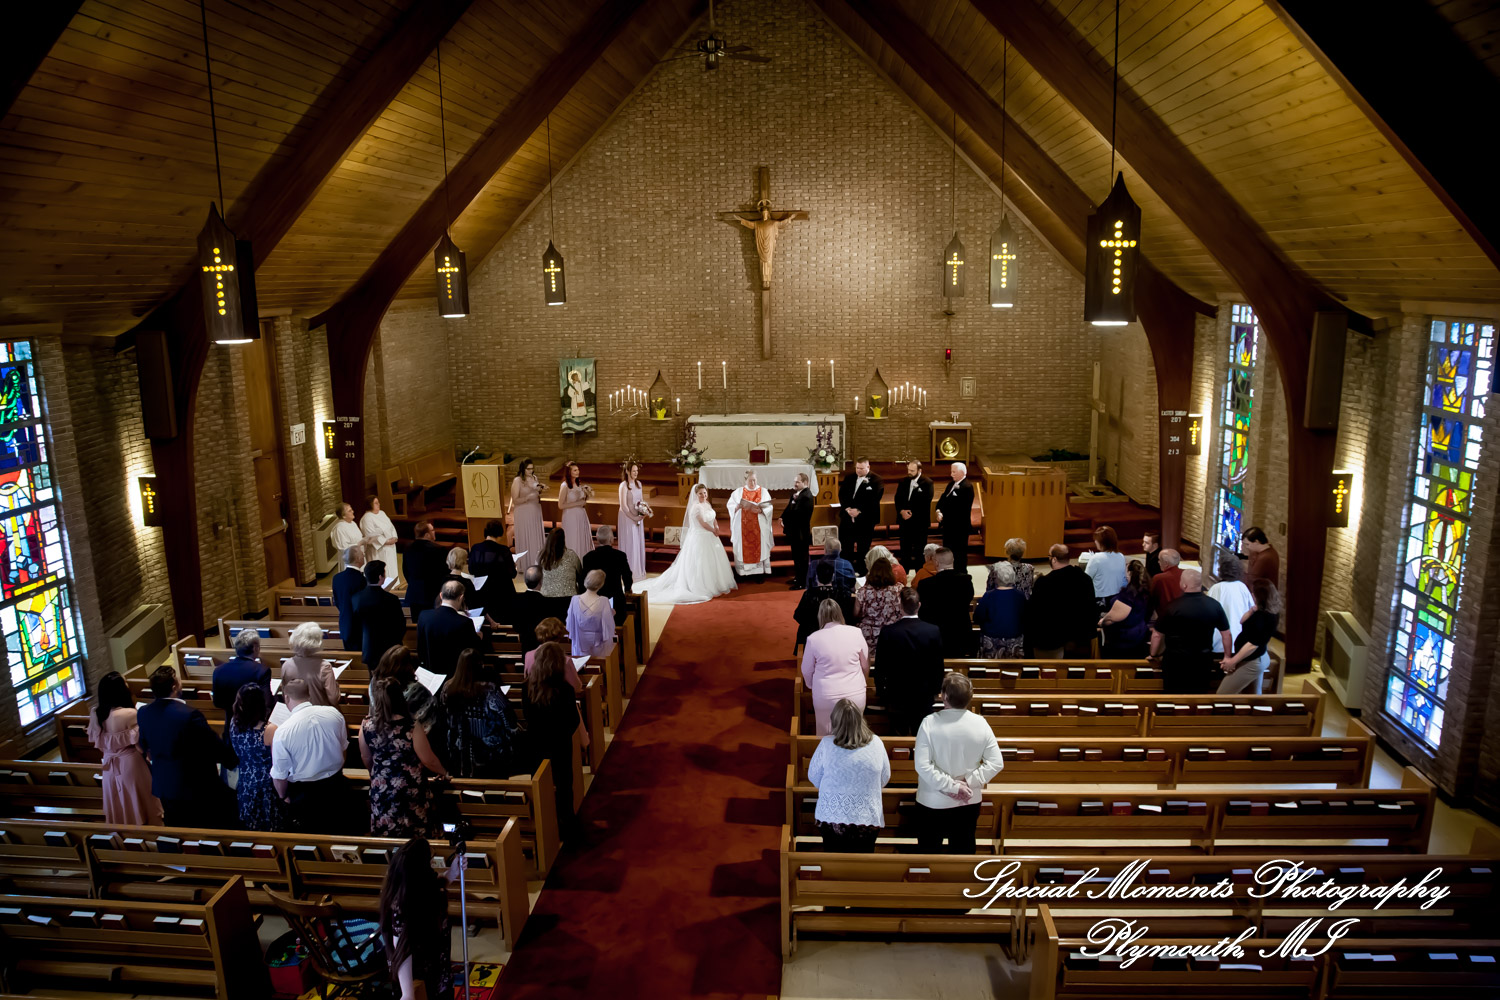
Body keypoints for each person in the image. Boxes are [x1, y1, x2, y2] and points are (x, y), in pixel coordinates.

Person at [914, 672, 1004, 854]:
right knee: (963, 851)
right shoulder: (980, 723)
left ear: (944, 696)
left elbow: (922, 766)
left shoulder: (929, 723)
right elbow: (996, 763)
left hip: (934, 802)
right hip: (967, 801)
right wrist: (967, 783)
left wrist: (952, 786)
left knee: (928, 853)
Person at [136, 665, 237, 828]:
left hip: (165, 785)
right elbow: (211, 745)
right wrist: (231, 761)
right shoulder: (189, 714)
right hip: (195, 786)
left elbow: (144, 744)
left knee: (178, 831)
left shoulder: (144, 712)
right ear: (174, 686)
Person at [360, 678, 447, 838]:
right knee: (415, 836)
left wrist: (377, 775)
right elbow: (428, 759)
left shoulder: (366, 725)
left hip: (382, 789)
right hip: (410, 788)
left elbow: (366, 757)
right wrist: (444, 772)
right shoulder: (412, 726)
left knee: (389, 837)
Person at [379, 838, 462, 1000]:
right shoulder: (401, 903)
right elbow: (402, 949)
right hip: (419, 971)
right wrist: (408, 993)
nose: (431, 867)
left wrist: (452, 873)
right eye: (429, 862)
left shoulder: (417, 884)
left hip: (438, 963)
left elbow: (434, 885)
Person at [271, 677, 354, 834]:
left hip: (306, 795)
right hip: (336, 785)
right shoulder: (333, 713)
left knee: (313, 839)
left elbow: (279, 774)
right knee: (340, 832)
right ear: (308, 694)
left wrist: (283, 797)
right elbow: (343, 748)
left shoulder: (283, 731)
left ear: (286, 697)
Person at [807, 698, 891, 852]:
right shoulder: (877, 743)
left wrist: (834, 787)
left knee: (833, 863)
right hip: (867, 820)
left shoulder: (826, 744)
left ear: (835, 722)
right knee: (863, 864)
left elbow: (814, 777)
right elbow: (884, 778)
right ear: (860, 720)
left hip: (832, 820)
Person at [633, 484, 736, 605]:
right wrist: (713, 530)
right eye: (701, 494)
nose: (703, 495)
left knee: (712, 561)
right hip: (701, 537)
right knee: (700, 563)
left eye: (705, 493)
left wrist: (717, 526)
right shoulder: (696, 508)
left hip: (710, 537)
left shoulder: (706, 504)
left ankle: (716, 582)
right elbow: (702, 523)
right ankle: (701, 585)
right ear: (696, 495)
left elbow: (713, 517)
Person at [524, 642, 585, 837]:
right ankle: (567, 826)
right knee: (565, 787)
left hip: (535, 745)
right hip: (560, 746)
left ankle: (545, 828)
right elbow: (573, 720)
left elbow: (526, 716)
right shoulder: (564, 689)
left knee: (542, 786)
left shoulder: (527, 688)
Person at [87, 671, 163, 827]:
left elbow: (101, 745)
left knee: (118, 804)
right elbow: (140, 746)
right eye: (125, 682)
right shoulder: (130, 713)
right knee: (140, 801)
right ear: (120, 690)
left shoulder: (96, 713)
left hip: (109, 767)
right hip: (131, 765)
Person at [441, 649, 523, 778]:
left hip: (459, 750)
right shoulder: (489, 689)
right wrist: (515, 732)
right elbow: (507, 714)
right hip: (490, 751)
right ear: (480, 665)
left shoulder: (447, 687)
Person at [874, 588, 945, 736]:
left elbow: (880, 666)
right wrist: (936, 690)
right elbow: (937, 665)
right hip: (923, 695)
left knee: (899, 742)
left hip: (896, 695)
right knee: (923, 737)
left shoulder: (888, 632)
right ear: (919, 605)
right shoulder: (932, 631)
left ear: (900, 607)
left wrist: (881, 692)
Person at [1150, 568, 1232, 694]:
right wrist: (1227, 656)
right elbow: (1226, 634)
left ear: (1184, 585)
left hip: (1176, 660)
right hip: (1202, 660)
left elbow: (1157, 635)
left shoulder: (1172, 606)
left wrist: (1154, 654)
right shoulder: (1214, 605)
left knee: (1173, 695)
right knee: (1198, 694)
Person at [800, 600, 870, 737]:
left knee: (825, 736)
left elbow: (806, 670)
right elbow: (865, 664)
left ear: (820, 616)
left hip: (826, 696)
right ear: (840, 614)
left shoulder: (813, 639)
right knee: (856, 735)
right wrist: (862, 682)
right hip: (855, 693)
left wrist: (812, 686)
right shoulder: (856, 632)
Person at [227, 682, 284, 831]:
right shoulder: (270, 729)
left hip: (245, 782)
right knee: (272, 826)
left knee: (252, 828)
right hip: (267, 785)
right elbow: (279, 759)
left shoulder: (234, 723)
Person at [1025, 544, 1098, 658]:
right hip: (1080, 638)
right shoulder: (1085, 579)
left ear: (1054, 559)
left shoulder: (1044, 583)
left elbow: (1036, 613)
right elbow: (1091, 608)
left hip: (1054, 642)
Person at [1217, 577, 1281, 694]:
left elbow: (1252, 645)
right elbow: (1242, 621)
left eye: (1253, 592)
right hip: (1257, 657)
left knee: (1222, 694)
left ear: (1259, 596)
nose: (1251, 594)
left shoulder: (1263, 617)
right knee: (1253, 695)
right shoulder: (1265, 611)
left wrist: (1233, 661)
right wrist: (1252, 610)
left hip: (1253, 661)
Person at [916, 547, 976, 658]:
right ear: (952, 561)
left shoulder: (925, 585)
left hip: (935, 636)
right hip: (960, 633)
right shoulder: (966, 581)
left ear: (936, 563)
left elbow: (922, 612)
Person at [417, 580, 483, 677]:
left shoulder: (423, 616)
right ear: (461, 598)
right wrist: (479, 637)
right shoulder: (464, 622)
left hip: (430, 674)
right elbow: (472, 649)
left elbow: (421, 647)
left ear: (441, 595)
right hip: (454, 676)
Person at [353, 559, 408, 668]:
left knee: (373, 681)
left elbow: (356, 624)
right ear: (380, 577)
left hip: (369, 649)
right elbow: (401, 625)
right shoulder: (391, 599)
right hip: (389, 650)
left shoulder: (356, 598)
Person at [211, 628, 272, 725]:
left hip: (231, 725)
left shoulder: (218, 670)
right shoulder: (262, 671)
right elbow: (267, 703)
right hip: (254, 724)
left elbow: (217, 702)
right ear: (255, 648)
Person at [794, 561, 855, 648]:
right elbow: (849, 617)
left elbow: (798, 616)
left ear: (816, 577)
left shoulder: (809, 594)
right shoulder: (844, 594)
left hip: (814, 636)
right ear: (833, 576)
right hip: (839, 637)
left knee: (803, 629)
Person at [468, 519, 517, 626]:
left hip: (482, 594)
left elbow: (471, 570)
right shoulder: (504, 550)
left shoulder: (475, 548)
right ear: (500, 533)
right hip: (502, 596)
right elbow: (512, 574)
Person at [582, 523, 632, 625]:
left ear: (597, 539)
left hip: (594, 600)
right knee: (619, 622)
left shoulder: (588, 557)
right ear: (611, 539)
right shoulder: (620, 556)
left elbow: (584, 579)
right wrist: (627, 588)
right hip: (615, 598)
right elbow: (627, 575)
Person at [282, 621, 342, 707]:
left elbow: (286, 697)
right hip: (320, 714)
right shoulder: (324, 666)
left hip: (298, 713)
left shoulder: (286, 665)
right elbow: (334, 699)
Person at [1099, 559, 1150, 659]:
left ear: (1130, 573)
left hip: (1124, 641)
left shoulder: (1128, 595)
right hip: (1140, 635)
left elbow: (1112, 618)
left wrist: (1103, 621)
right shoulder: (1145, 591)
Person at [838, 457, 884, 567]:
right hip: (847, 517)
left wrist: (859, 510)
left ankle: (862, 571)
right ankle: (847, 570)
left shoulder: (876, 480)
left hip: (866, 519)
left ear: (868, 467)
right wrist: (848, 508)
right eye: (857, 468)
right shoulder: (849, 478)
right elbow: (842, 494)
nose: (858, 470)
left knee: (863, 548)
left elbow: (874, 498)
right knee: (846, 546)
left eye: (861, 468)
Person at [974, 561, 1025, 658]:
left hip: (992, 642)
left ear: (996, 578)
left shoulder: (988, 596)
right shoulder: (1020, 596)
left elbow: (978, 617)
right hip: (1015, 641)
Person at [1207, 549, 1255, 654]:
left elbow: (1208, 612)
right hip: (1239, 640)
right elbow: (1251, 610)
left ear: (1221, 570)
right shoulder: (1242, 587)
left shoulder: (1216, 588)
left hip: (1220, 640)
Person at [728, 470, 774, 577]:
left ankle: (759, 574)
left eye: (754, 480)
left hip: (759, 525)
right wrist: (736, 507)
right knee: (743, 547)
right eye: (750, 481)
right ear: (745, 480)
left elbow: (769, 507)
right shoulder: (738, 492)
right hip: (742, 526)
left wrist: (762, 510)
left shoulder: (763, 491)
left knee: (760, 548)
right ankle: (744, 572)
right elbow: (730, 505)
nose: (752, 483)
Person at [854, 555, 903, 652]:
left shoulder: (863, 591)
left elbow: (855, 614)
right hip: (892, 634)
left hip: (868, 635)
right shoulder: (899, 589)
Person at [403, 521, 448, 621]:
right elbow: (443, 573)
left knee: (418, 627)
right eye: (432, 530)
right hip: (432, 595)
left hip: (414, 594)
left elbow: (405, 571)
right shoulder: (438, 550)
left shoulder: (408, 549)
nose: (434, 532)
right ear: (427, 534)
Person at [893, 459, 933, 572]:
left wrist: (911, 514)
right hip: (905, 522)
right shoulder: (903, 481)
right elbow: (898, 498)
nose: (909, 472)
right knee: (905, 549)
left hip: (919, 523)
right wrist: (901, 511)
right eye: (908, 470)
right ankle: (903, 573)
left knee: (919, 551)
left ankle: (919, 574)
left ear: (919, 470)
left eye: (912, 470)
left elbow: (925, 502)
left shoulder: (927, 483)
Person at [568, 569, 617, 659]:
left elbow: (570, 623)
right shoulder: (604, 600)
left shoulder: (574, 599)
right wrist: (612, 613)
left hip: (580, 641)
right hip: (599, 642)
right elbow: (608, 625)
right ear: (600, 585)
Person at [509, 458, 546, 573]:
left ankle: (536, 562)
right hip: (523, 512)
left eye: (532, 468)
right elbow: (515, 500)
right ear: (523, 469)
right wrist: (527, 498)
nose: (531, 471)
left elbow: (536, 492)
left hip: (535, 510)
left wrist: (541, 489)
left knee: (535, 535)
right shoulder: (518, 480)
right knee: (526, 535)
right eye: (528, 469)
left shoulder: (534, 478)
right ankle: (525, 565)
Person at [934, 462, 975, 566]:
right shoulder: (951, 484)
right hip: (948, 527)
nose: (951, 474)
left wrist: (945, 514)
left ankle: (960, 575)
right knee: (948, 553)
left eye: (954, 472)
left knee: (959, 555)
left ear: (962, 472)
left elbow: (961, 509)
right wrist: (938, 511)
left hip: (959, 528)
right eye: (951, 471)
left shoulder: (967, 487)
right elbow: (943, 499)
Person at [780, 472, 815, 590]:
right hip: (794, 532)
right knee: (796, 556)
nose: (795, 484)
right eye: (795, 481)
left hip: (801, 532)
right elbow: (788, 508)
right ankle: (797, 577)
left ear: (805, 483)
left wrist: (787, 520)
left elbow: (799, 515)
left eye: (797, 482)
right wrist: (782, 517)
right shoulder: (796, 494)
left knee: (802, 558)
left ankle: (802, 582)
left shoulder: (807, 496)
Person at [331, 543, 368, 651]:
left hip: (345, 624)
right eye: (362, 554)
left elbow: (337, 601)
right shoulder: (362, 580)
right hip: (359, 627)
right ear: (358, 559)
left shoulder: (337, 578)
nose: (364, 556)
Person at [1083, 525, 1127, 611]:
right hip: (1117, 598)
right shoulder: (1121, 556)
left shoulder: (1096, 558)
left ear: (1103, 542)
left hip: (1100, 600)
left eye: (1097, 540)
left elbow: (1086, 579)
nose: (1095, 542)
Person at [617, 462, 648, 578]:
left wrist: (643, 512)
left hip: (637, 517)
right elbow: (623, 506)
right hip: (627, 517)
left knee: (637, 542)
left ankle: (638, 569)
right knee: (631, 542)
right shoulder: (623, 486)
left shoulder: (639, 484)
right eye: (634, 471)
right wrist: (633, 517)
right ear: (627, 471)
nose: (636, 473)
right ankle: (629, 571)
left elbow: (641, 501)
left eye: (637, 471)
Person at [539, 527, 584, 605]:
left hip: (546, 599)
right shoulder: (571, 555)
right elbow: (580, 574)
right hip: (568, 600)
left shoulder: (542, 556)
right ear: (563, 540)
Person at [558, 462, 594, 558]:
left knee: (581, 538)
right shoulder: (565, 486)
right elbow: (560, 505)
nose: (577, 472)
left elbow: (581, 500)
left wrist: (587, 494)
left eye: (578, 470)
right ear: (569, 472)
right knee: (573, 539)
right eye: (575, 470)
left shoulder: (579, 484)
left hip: (581, 516)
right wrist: (578, 504)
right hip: (571, 517)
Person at [514, 566, 552, 654]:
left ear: (525, 581)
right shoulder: (546, 602)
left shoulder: (517, 600)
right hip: (543, 651)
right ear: (541, 582)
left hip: (525, 648)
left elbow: (516, 626)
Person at [361, 497, 399, 583]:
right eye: (376, 503)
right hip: (379, 549)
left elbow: (391, 526)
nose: (379, 504)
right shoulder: (367, 518)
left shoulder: (382, 513)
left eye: (378, 502)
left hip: (390, 547)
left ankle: (394, 584)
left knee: (391, 567)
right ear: (370, 505)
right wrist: (386, 541)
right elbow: (370, 535)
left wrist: (394, 537)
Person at [441, 545, 479, 612]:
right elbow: (475, 604)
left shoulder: (442, 579)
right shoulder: (467, 582)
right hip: (462, 616)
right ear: (464, 562)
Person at [1149, 547, 1185, 615]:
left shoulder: (1158, 578)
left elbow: (1151, 600)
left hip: (1166, 619)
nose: (1158, 562)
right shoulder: (1187, 574)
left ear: (1166, 563)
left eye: (1159, 560)